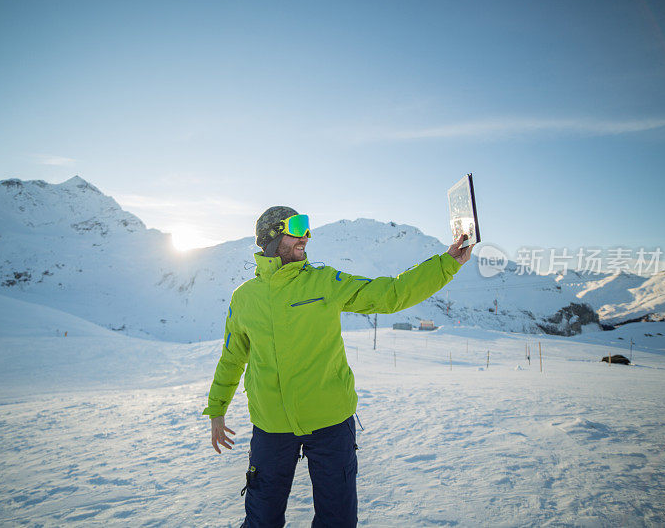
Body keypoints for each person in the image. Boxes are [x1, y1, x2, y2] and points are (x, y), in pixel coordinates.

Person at [202, 206, 473, 527]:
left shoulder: (324, 281)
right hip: (272, 426)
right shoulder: (244, 298)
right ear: (272, 236)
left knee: (338, 520)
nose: (306, 235)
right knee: (262, 519)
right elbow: (232, 357)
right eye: (297, 227)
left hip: (331, 422)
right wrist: (217, 408)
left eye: (307, 227)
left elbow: (390, 294)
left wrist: (448, 263)